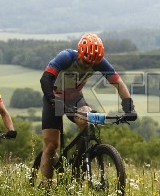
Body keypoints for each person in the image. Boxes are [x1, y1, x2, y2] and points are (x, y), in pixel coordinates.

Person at [39, 32, 137, 183]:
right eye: (84, 61)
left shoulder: (99, 63)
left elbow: (118, 83)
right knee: (51, 146)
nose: (86, 66)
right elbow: (45, 78)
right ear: (79, 52)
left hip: (75, 99)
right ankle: (45, 189)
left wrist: (129, 108)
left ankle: (78, 164)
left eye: (91, 64)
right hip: (54, 98)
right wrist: (52, 99)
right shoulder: (66, 57)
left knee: (87, 120)